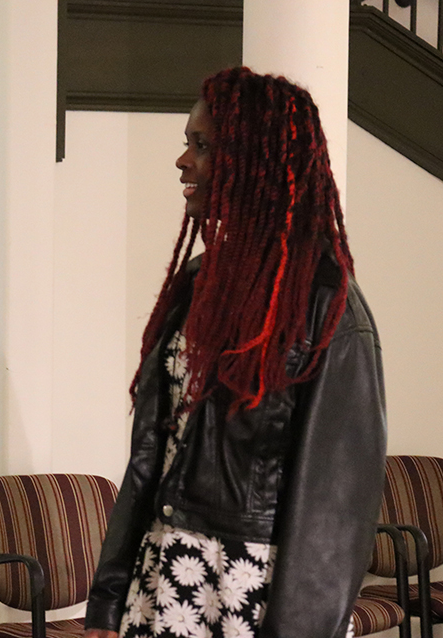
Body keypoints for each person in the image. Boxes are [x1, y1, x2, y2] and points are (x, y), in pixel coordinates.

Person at [84, 67, 386, 638]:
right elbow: (150, 458)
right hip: (163, 586)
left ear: (253, 163)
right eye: (187, 144)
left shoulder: (327, 307)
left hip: (255, 598)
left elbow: (335, 511)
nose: (183, 161)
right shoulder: (196, 285)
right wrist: (107, 599)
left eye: (203, 146)